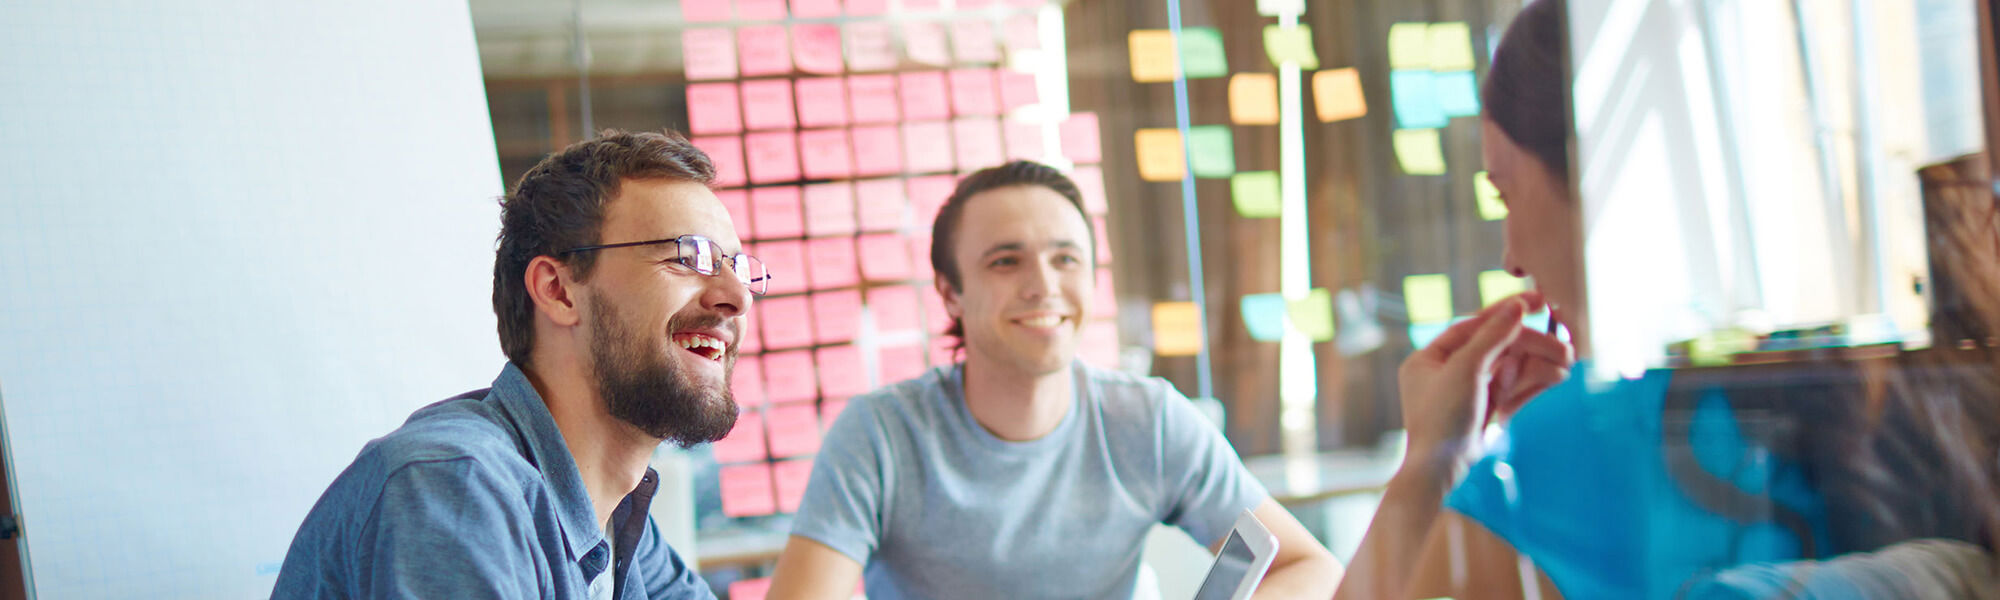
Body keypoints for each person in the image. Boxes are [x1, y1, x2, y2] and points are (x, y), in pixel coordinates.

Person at [1334, 1, 2000, 598]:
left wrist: (1434, 457)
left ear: (1592, 181)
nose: (1511, 258)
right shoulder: (1893, 389)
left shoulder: (1568, 443)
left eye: (1506, 194)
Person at [764, 160, 1342, 599]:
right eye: (1005, 261)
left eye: (1066, 259)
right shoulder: (882, 434)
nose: (1043, 285)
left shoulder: (1148, 419)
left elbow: (1309, 566)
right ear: (951, 293)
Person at [273, 130, 766, 599]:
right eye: (687, 257)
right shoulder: (454, 488)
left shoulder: (617, 522)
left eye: (738, 269)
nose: (736, 297)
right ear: (557, 291)